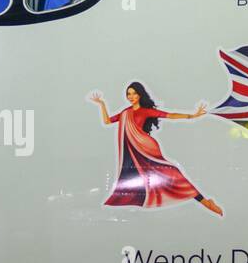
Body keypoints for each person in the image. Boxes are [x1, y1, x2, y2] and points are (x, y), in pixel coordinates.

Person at [88, 82, 223, 214]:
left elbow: (170, 115)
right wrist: (102, 104)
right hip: (134, 149)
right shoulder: (125, 112)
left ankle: (205, 202)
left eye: (134, 93)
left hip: (147, 147)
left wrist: (192, 115)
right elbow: (107, 121)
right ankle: (204, 202)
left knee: (172, 173)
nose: (131, 96)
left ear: (140, 95)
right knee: (142, 177)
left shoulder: (146, 111)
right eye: (128, 94)